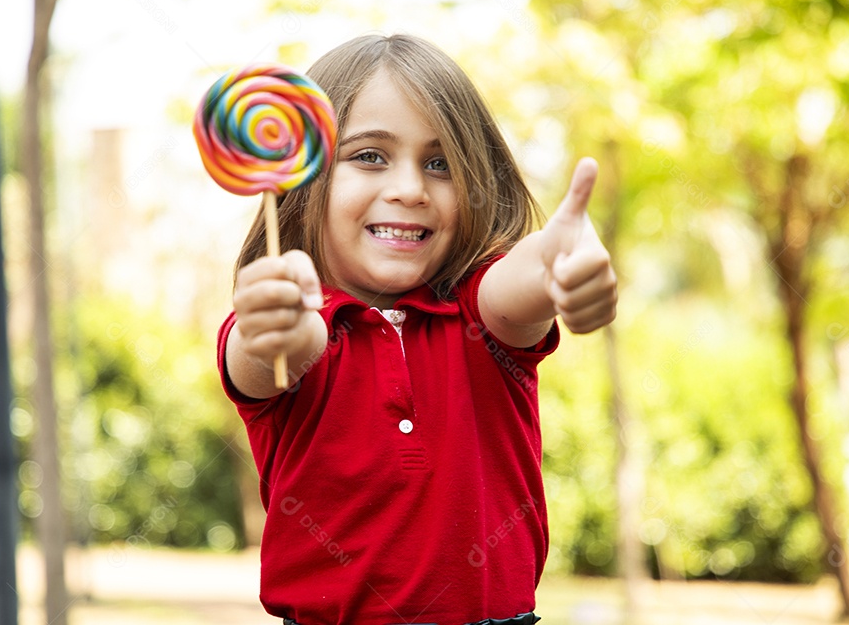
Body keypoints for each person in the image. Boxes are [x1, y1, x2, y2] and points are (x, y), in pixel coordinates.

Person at [217, 33, 617, 625]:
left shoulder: (482, 313)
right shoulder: (286, 324)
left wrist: (558, 263)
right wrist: (274, 323)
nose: (409, 188)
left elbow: (521, 283)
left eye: (439, 164)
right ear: (303, 178)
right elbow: (273, 353)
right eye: (369, 156)